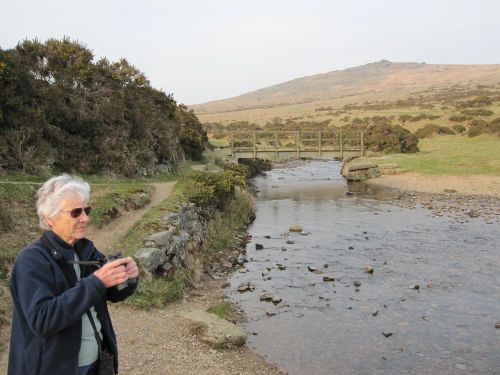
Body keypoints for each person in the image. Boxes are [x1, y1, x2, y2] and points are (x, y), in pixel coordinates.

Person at [8, 174, 139, 375]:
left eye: (87, 210)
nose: (85, 218)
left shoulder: (85, 249)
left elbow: (111, 294)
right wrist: (96, 282)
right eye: (76, 212)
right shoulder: (31, 260)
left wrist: (127, 278)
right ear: (50, 219)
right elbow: (42, 319)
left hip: (98, 362)